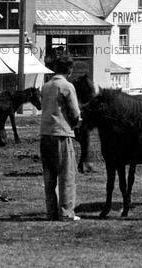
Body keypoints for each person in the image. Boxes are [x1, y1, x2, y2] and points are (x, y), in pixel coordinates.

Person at [40, 55, 81, 221]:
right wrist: (77, 122)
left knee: (49, 176)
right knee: (67, 175)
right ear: (69, 70)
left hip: (45, 133)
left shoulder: (46, 86)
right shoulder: (67, 86)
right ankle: (66, 212)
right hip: (62, 133)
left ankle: (51, 212)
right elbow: (75, 113)